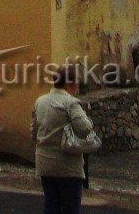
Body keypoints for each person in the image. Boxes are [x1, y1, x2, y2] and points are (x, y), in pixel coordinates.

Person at [31, 65, 95, 214]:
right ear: (68, 84)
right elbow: (85, 128)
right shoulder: (71, 103)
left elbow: (33, 132)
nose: (78, 86)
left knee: (50, 205)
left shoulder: (40, 101)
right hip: (67, 165)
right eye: (76, 83)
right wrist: (89, 121)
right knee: (70, 207)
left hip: (45, 163)